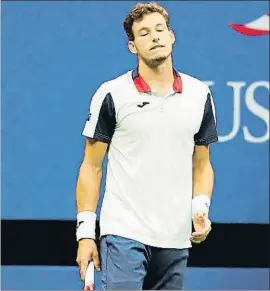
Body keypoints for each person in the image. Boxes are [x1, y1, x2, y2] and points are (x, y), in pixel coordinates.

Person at [75, 2, 218, 290]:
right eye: (144, 33)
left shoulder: (199, 94)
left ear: (171, 36)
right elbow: (92, 167)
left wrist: (200, 207)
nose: (154, 37)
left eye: (159, 30)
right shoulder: (111, 94)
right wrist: (86, 234)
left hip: (176, 238)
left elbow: (202, 164)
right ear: (132, 46)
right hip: (123, 232)